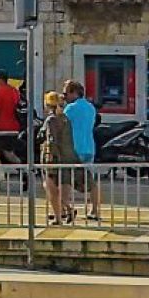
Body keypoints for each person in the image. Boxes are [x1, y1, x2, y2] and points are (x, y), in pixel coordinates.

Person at [63, 78, 102, 221]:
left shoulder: (70, 109)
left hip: (74, 148)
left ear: (74, 93)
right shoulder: (91, 107)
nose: (64, 97)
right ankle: (95, 210)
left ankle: (63, 209)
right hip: (89, 147)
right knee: (90, 181)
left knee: (65, 179)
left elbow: (62, 124)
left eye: (66, 93)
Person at [40, 89, 77, 225]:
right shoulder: (64, 118)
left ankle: (59, 217)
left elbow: (51, 140)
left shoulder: (51, 120)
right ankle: (66, 209)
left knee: (50, 188)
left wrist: (49, 158)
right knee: (56, 188)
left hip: (53, 158)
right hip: (65, 157)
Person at [0, 72, 24, 165]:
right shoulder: (14, 91)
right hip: (14, 127)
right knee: (3, 151)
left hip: (0, 128)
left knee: (4, 151)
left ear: (0, 80)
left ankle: (24, 169)